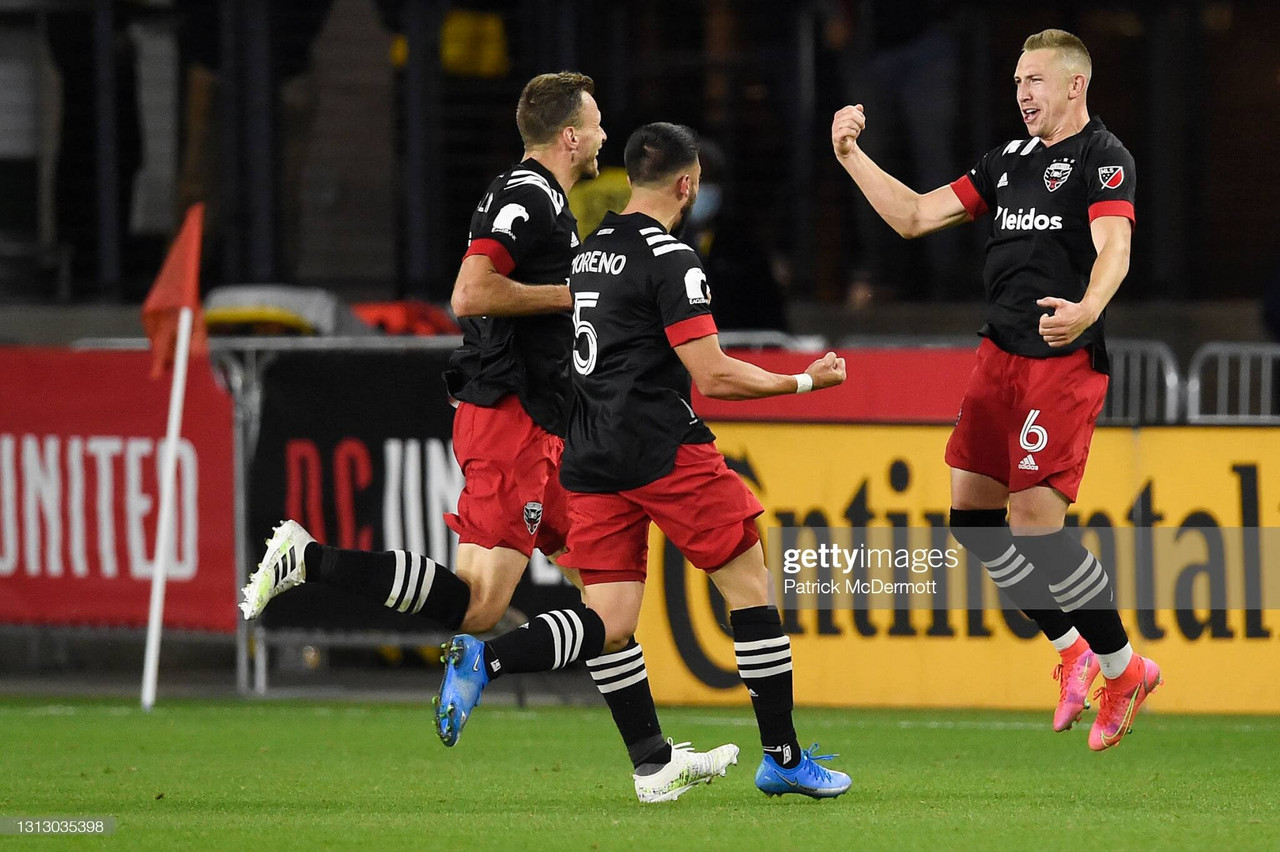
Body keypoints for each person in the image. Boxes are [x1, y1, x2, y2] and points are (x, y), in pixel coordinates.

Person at [240, 73, 727, 800]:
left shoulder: (541, 199)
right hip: (512, 420)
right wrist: (573, 293)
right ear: (569, 137)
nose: (601, 137)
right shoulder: (529, 196)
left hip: (547, 424)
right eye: (593, 126)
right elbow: (470, 292)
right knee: (480, 607)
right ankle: (308, 557)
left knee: (604, 599)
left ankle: (654, 764)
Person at [435, 123, 853, 801]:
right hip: (661, 448)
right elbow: (714, 377)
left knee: (610, 620)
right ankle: (781, 756)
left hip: (590, 452)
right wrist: (803, 382)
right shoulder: (673, 258)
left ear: (632, 177)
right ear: (686, 185)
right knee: (749, 584)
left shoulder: (590, 249)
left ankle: (490, 658)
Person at [832, 28, 1160, 751]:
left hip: (1062, 360)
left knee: (1038, 531)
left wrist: (1086, 310)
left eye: (1036, 80)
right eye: (1017, 80)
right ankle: (1074, 651)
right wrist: (852, 158)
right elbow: (916, 215)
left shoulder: (1103, 159)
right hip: (997, 358)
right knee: (973, 522)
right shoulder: (1005, 162)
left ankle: (1123, 669)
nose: (1022, 93)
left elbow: (1116, 248)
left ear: (1076, 86)